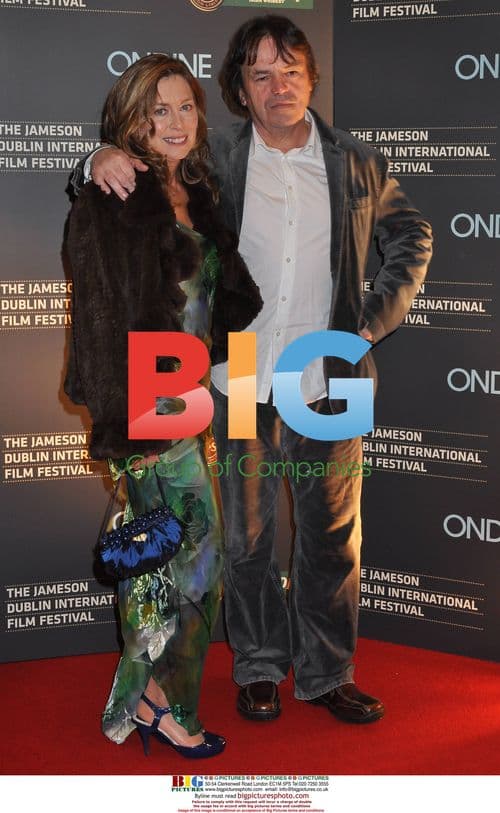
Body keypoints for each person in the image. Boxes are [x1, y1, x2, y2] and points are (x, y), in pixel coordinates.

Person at [76, 15, 432, 725]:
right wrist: (93, 158)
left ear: (312, 75)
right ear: (240, 88)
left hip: (331, 373)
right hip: (240, 369)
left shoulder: (359, 161)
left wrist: (372, 322)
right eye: (260, 74)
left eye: (290, 70)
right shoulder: (219, 156)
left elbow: (411, 234)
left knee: (335, 535)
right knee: (246, 536)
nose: (278, 86)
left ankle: (328, 671)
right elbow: (144, 170)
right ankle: (261, 665)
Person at [64, 54, 262, 757]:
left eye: (185, 107)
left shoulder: (201, 190)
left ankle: (146, 694)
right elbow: (95, 318)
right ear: (133, 120)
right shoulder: (114, 194)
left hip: (194, 401)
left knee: (167, 562)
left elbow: (215, 307)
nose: (176, 123)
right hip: (146, 410)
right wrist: (123, 428)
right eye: (159, 110)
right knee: (192, 562)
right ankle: (166, 701)